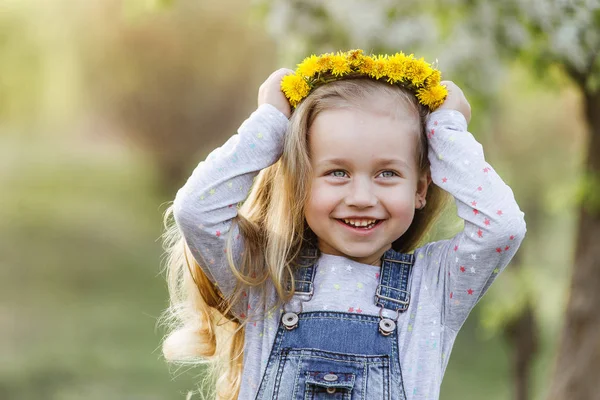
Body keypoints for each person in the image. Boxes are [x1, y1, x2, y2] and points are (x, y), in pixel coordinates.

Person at [160, 49, 527, 400]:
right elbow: (196, 209)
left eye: (387, 173)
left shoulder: (433, 288)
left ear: (419, 188)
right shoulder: (267, 279)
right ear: (300, 183)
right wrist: (271, 123)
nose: (362, 197)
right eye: (337, 172)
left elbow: (502, 227)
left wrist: (446, 131)